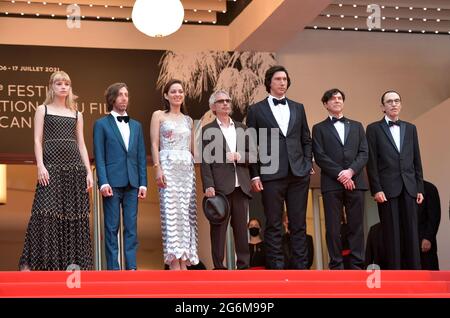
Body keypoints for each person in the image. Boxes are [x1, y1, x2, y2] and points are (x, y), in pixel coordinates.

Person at [19, 71, 93, 271]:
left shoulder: (77, 114)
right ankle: (35, 264)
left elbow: (82, 145)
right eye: (59, 83)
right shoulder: (42, 109)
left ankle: (71, 265)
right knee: (43, 212)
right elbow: (37, 140)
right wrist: (40, 165)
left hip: (74, 170)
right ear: (51, 86)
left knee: (73, 215)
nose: (63, 86)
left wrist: (88, 171)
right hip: (50, 168)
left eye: (66, 83)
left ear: (70, 88)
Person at [246, 65, 313, 269]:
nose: (282, 82)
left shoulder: (298, 107)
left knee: (298, 223)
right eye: (278, 79)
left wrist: (307, 162)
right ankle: (276, 269)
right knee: (274, 224)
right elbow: (250, 144)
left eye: (285, 79)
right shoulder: (256, 110)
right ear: (269, 82)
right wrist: (255, 175)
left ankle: (300, 268)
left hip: (298, 173)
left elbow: (306, 139)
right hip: (270, 173)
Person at [366, 90, 424, 269]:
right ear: (383, 107)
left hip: (409, 187)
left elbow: (416, 160)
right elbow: (372, 162)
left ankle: (416, 275)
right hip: (386, 190)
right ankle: (395, 275)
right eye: (389, 101)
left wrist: (419, 187)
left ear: (401, 104)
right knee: (391, 234)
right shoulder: (373, 129)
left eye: (397, 100)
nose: (393, 104)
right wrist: (376, 188)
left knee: (412, 233)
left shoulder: (411, 128)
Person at [312, 88, 368, 269]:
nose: (337, 100)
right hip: (331, 184)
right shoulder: (318, 128)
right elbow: (320, 156)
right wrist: (341, 175)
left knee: (356, 226)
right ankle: (336, 265)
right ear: (325, 104)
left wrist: (350, 171)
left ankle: (358, 265)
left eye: (339, 98)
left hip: (356, 182)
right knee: (333, 228)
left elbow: (364, 153)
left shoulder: (357, 126)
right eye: (333, 98)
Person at [93, 83, 147, 270]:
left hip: (133, 183)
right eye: (120, 95)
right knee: (111, 227)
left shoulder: (137, 126)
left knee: (131, 227)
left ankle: (131, 267)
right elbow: (99, 156)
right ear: (112, 99)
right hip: (112, 183)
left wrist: (143, 183)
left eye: (126, 94)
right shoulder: (101, 124)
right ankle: (113, 270)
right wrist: (103, 182)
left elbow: (140, 155)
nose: (124, 98)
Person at [201, 90, 252, 270]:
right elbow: (205, 162)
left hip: (241, 187)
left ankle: (243, 266)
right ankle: (219, 267)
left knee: (241, 230)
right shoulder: (208, 130)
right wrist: (208, 185)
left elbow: (254, 155)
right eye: (221, 101)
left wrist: (240, 156)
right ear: (213, 107)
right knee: (218, 231)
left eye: (227, 101)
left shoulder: (242, 128)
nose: (225, 104)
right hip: (220, 188)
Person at [150, 79, 198, 270]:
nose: (177, 94)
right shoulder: (159, 116)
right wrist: (157, 168)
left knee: (187, 214)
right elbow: (154, 144)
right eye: (173, 91)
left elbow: (193, 149)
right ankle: (173, 261)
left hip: (186, 169)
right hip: (168, 166)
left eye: (180, 91)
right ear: (166, 95)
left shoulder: (189, 120)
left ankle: (185, 260)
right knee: (171, 213)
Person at [418, 180, 441, 270]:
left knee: (429, 275)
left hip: (424, 242)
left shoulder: (429, 188)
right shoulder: (403, 190)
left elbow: (434, 216)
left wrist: (428, 237)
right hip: (407, 245)